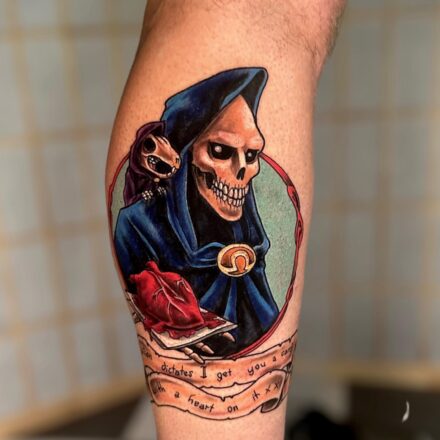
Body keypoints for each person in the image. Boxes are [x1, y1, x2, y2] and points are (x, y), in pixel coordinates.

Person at [106, 1, 346, 439]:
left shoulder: (247, 239)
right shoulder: (140, 230)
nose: (243, 172)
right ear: (183, 153)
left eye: (252, 156)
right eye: (219, 151)